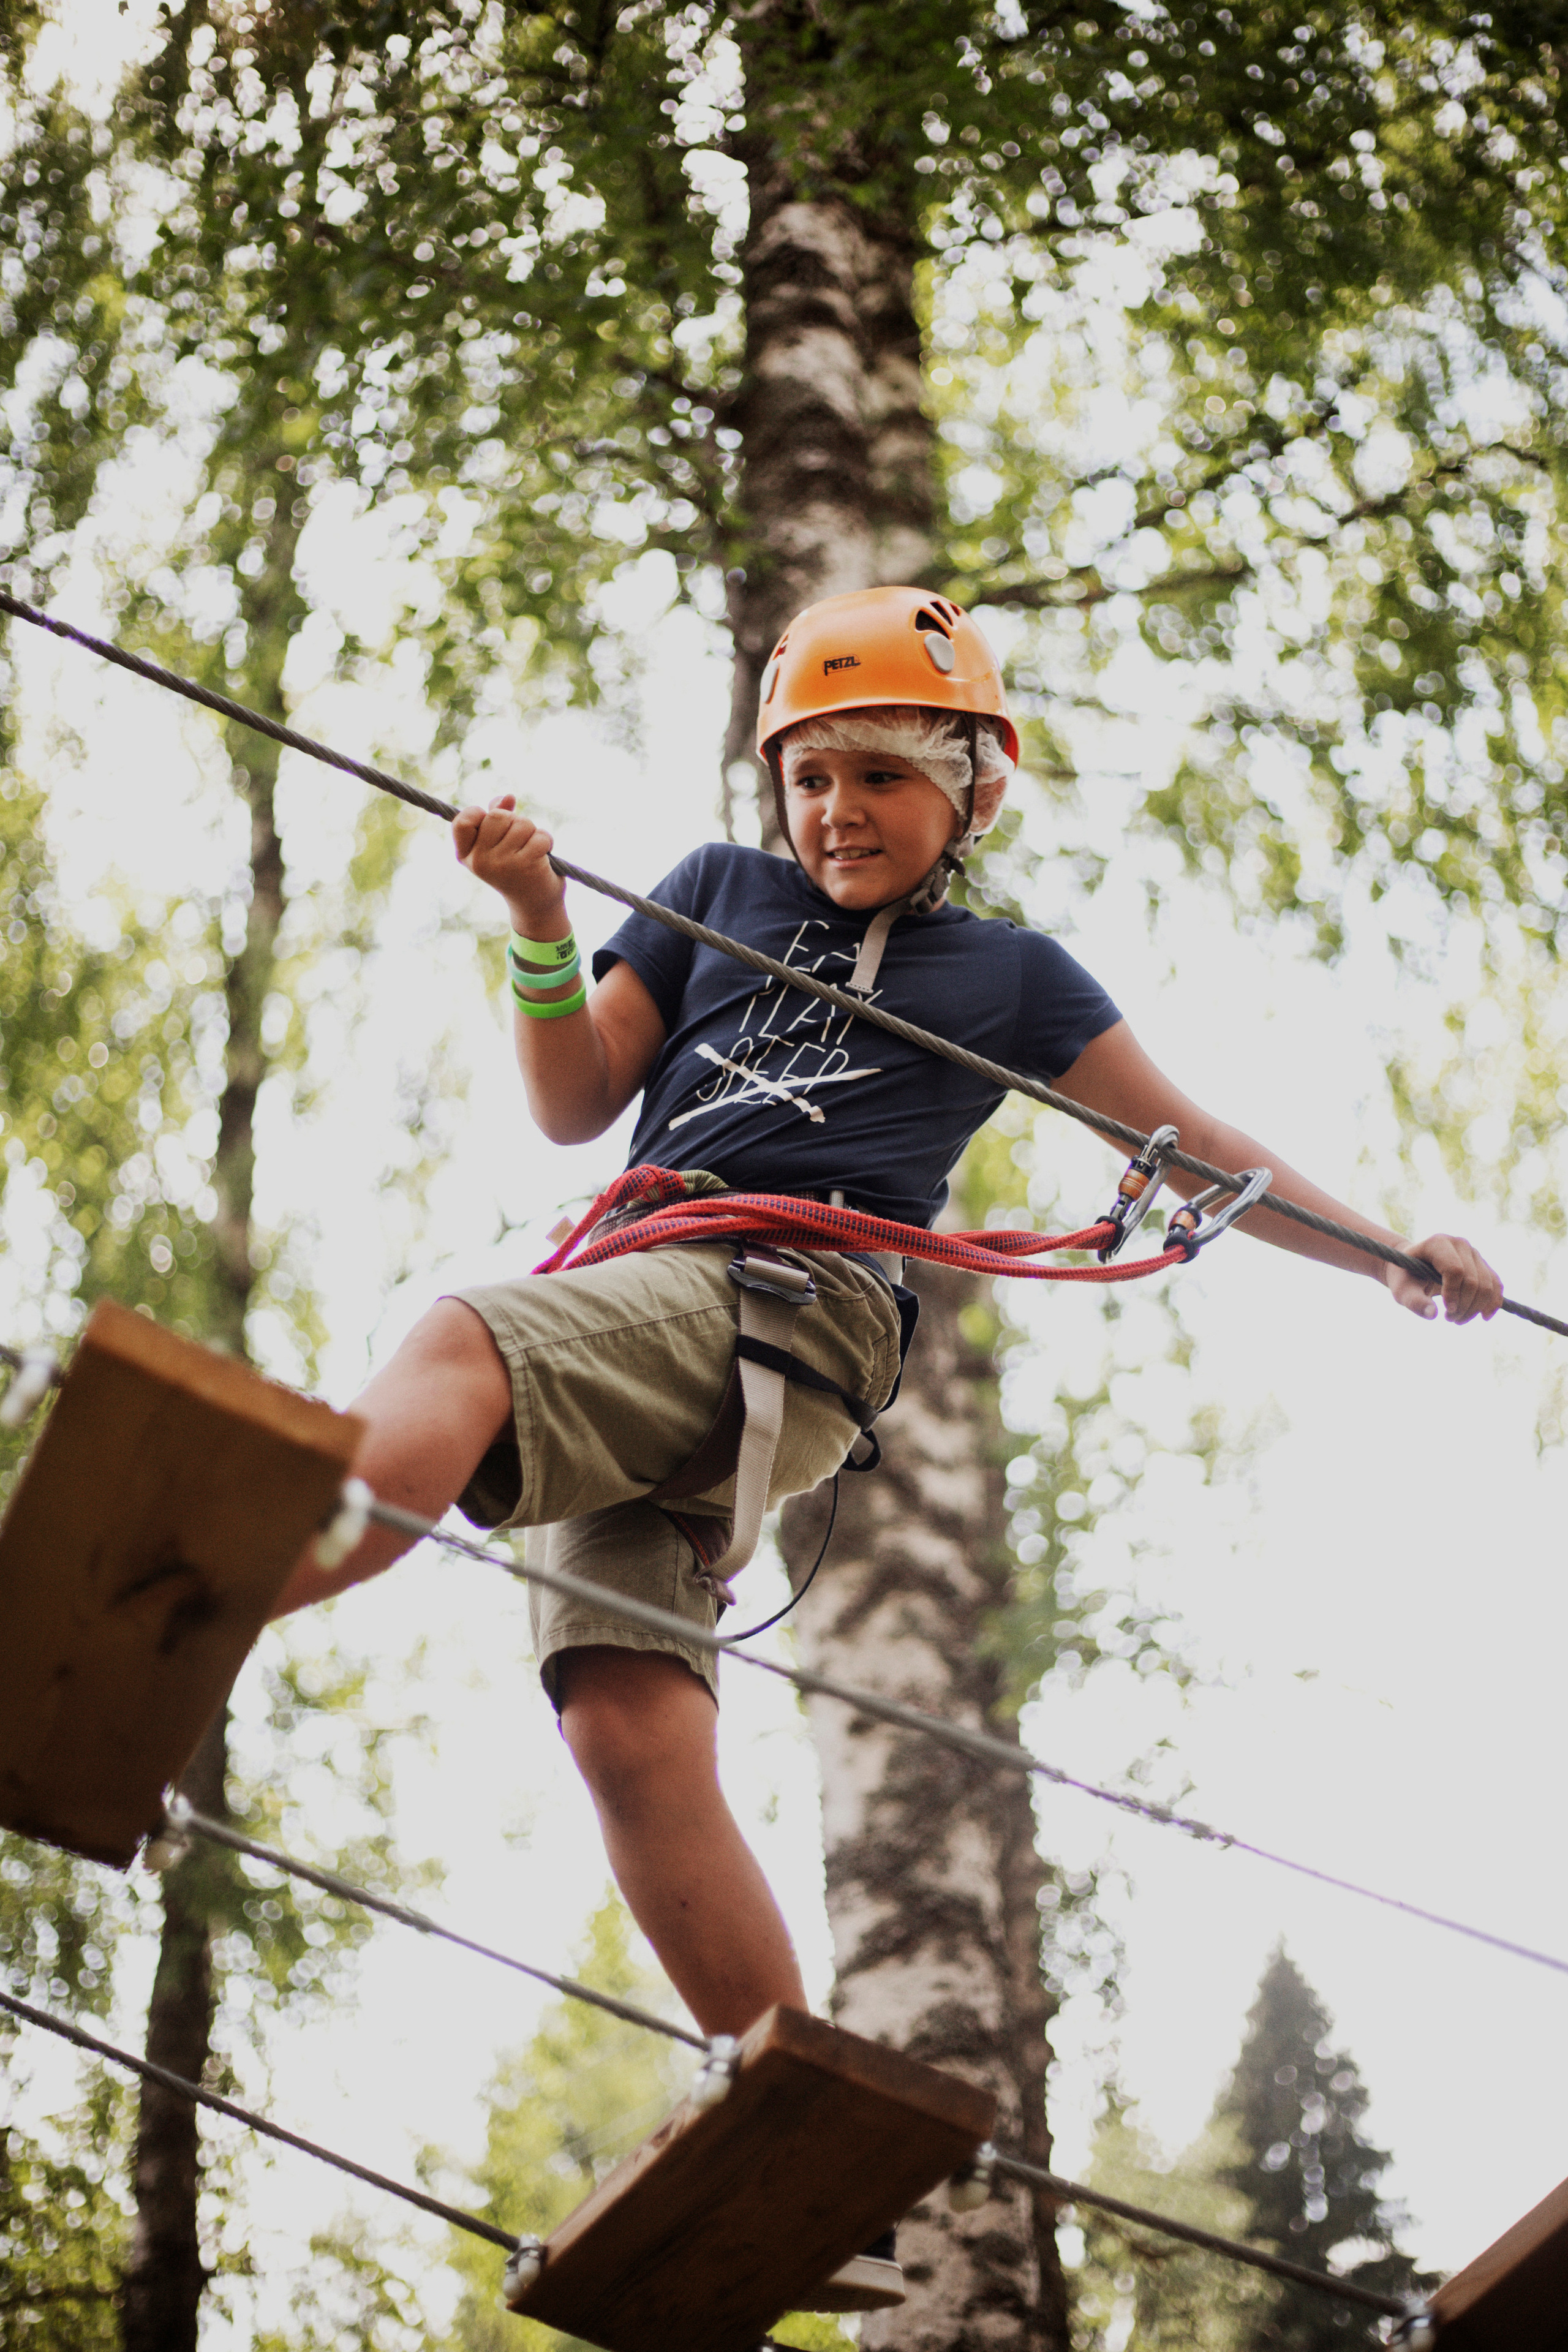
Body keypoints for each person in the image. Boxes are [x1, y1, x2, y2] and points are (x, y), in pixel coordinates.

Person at [270, 586, 1501, 2314]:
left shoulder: (1005, 976)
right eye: (809, 777)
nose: (834, 811)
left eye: (878, 778)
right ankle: (805, 2138)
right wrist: (545, 915)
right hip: (645, 1300)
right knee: (627, 1732)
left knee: (455, 1347)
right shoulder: (713, 896)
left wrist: (1389, 1253)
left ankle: (206, 1586)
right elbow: (573, 1092)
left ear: (972, 793)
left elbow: (1201, 1142)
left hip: (791, 1300)